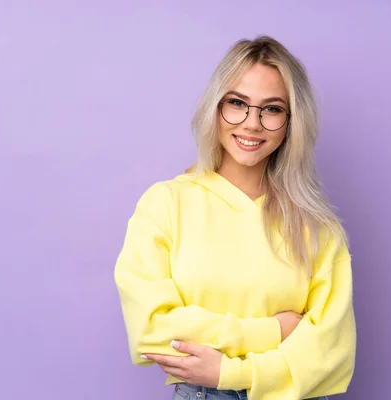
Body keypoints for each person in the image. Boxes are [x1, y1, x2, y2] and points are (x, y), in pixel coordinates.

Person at [114, 35, 356, 400]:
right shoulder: (166, 204)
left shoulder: (318, 227)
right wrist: (272, 332)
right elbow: (151, 329)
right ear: (215, 107)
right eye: (237, 103)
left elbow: (330, 355)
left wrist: (230, 371)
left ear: (292, 122)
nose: (252, 123)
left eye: (272, 109)